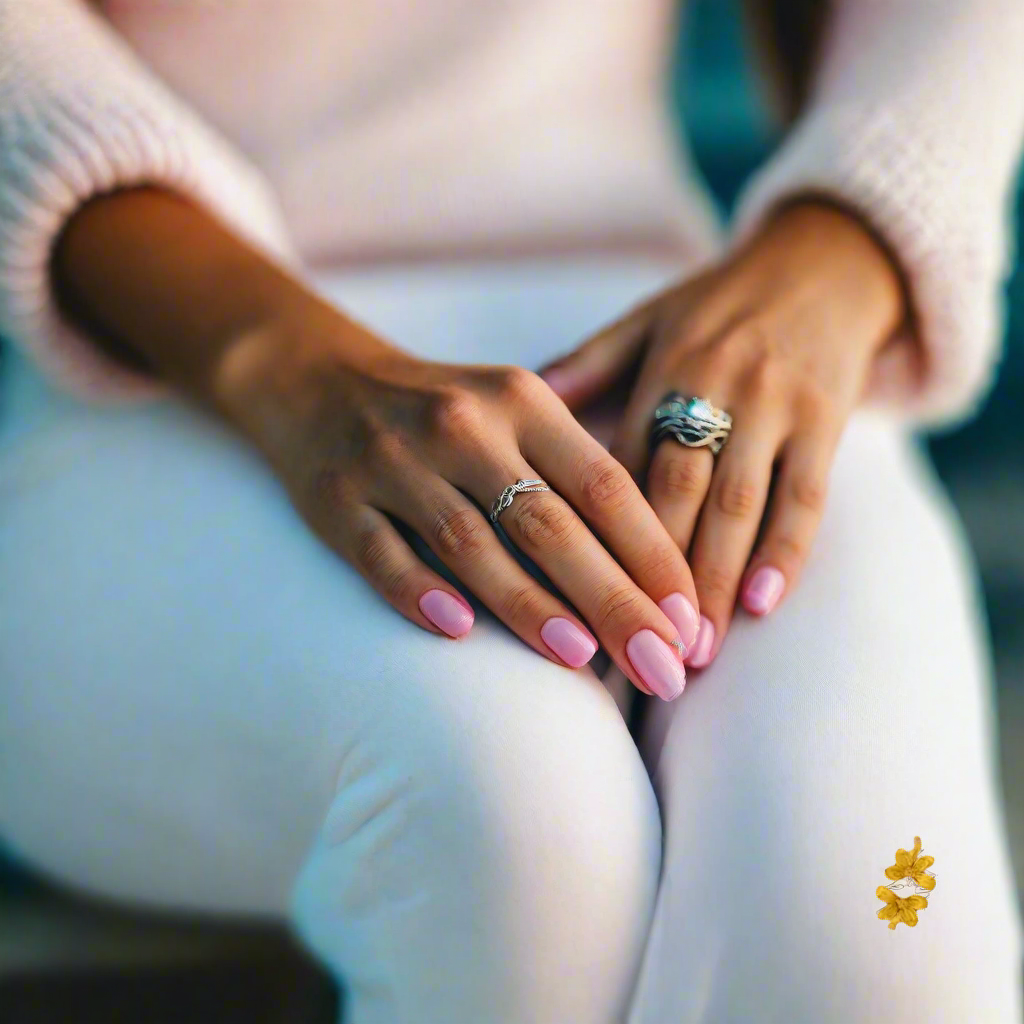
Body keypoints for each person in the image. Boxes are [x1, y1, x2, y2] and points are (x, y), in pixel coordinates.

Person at [1, 1, 1023, 1020]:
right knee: (516, 825)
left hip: (692, 343)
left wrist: (845, 244)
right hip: (165, 356)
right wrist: (278, 359)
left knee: (883, 910)